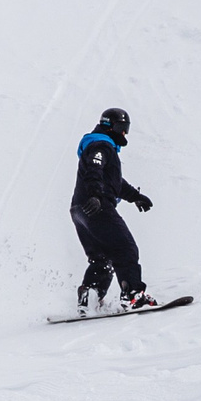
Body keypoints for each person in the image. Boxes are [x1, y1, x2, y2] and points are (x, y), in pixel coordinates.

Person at [71, 107, 153, 313]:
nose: (125, 133)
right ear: (111, 126)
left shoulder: (100, 146)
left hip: (79, 210)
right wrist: (96, 196)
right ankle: (134, 295)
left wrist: (136, 196)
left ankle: (89, 298)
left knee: (102, 258)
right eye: (122, 128)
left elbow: (114, 181)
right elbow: (94, 170)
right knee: (125, 249)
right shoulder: (101, 146)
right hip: (96, 207)